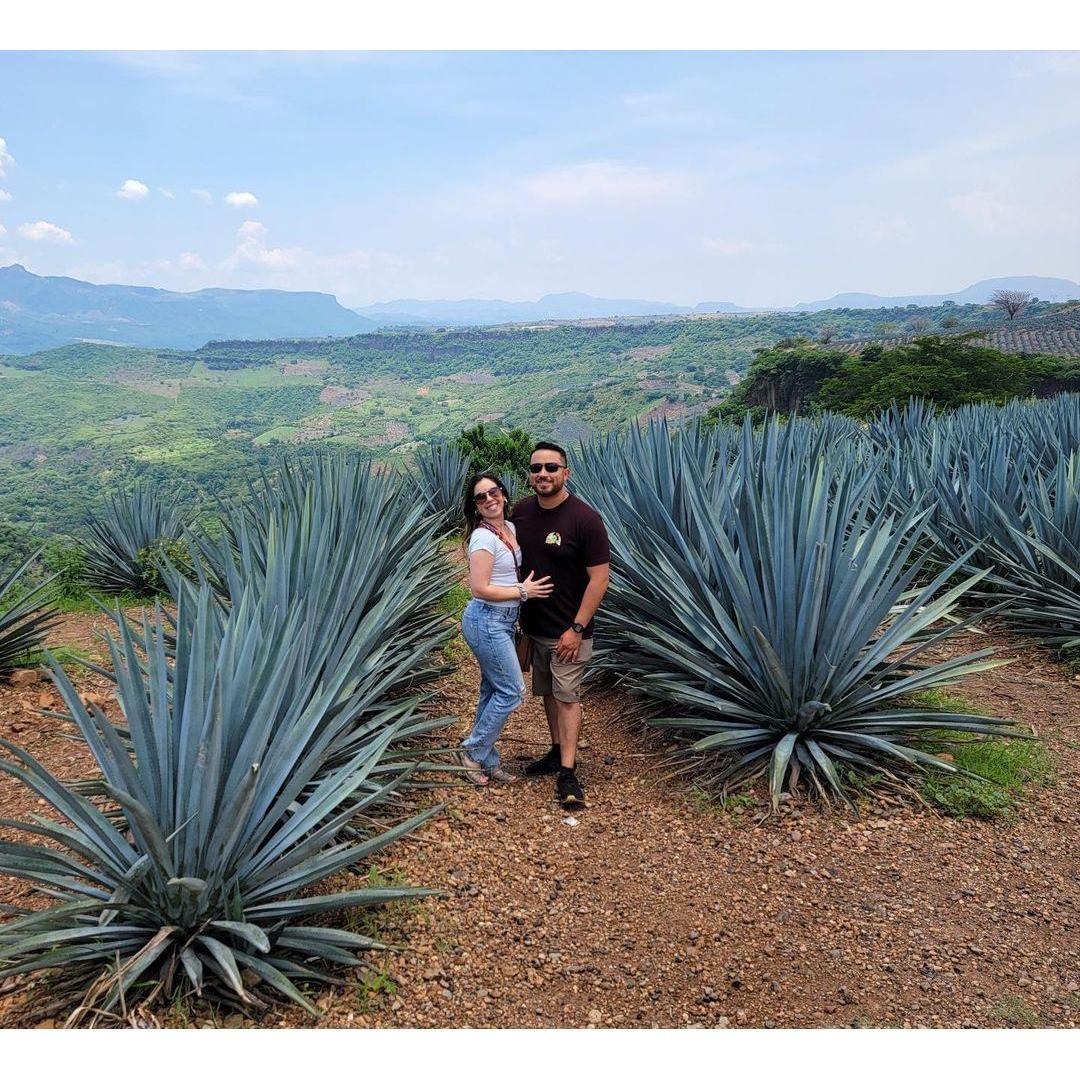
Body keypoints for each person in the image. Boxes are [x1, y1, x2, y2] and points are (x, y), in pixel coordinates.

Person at [511, 441, 610, 808]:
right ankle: (556, 751)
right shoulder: (521, 512)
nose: (543, 474)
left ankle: (568, 772)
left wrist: (577, 628)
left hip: (569, 631)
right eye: (536, 468)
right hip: (535, 627)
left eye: (551, 468)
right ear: (530, 475)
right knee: (550, 693)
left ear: (566, 473)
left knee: (568, 697)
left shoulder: (585, 519)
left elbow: (600, 579)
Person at [459, 472, 553, 786]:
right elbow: (480, 588)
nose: (489, 499)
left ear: (503, 493)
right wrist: (523, 591)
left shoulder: (510, 528)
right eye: (481, 497)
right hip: (486, 620)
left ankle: (487, 760)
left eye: (493, 492)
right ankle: (472, 751)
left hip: (503, 621)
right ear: (475, 506)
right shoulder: (483, 538)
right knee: (512, 690)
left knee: (492, 689)